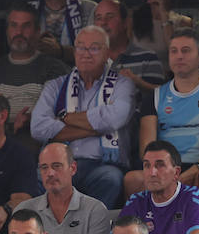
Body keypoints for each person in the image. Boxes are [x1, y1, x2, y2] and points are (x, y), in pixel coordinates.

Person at [30, 24, 135, 208]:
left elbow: (114, 118)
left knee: (111, 179)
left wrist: (64, 118)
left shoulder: (122, 84)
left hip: (102, 165)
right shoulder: (55, 86)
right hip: (60, 163)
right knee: (38, 176)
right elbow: (38, 128)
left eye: (94, 48)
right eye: (81, 47)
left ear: (107, 53)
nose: (86, 53)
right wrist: (95, 129)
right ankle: (52, 233)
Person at [131, 29, 199, 200]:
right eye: (174, 51)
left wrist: (194, 171)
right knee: (132, 180)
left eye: (186, 51)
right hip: (166, 168)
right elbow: (147, 148)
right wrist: (165, 173)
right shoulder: (155, 97)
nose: (179, 56)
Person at [16, 143, 110, 234]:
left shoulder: (95, 209)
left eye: (56, 166)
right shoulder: (25, 210)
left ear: (72, 168)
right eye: (44, 168)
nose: (50, 173)